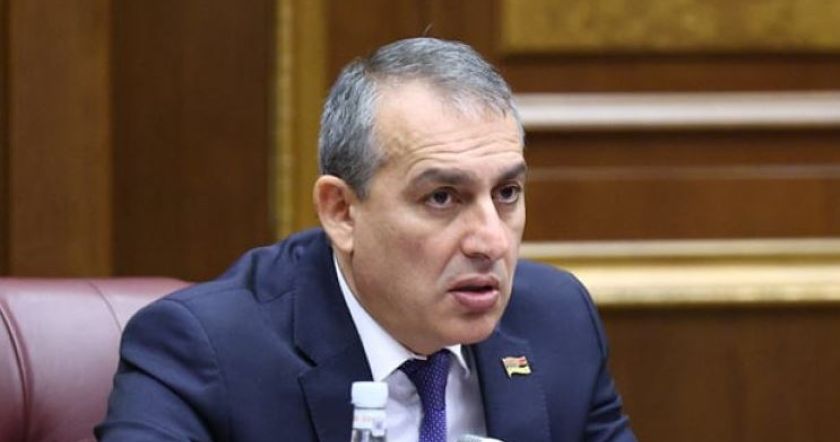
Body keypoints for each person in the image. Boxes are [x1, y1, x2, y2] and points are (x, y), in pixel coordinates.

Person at [97, 37, 636, 442]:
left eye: (507, 193)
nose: (490, 242)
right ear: (341, 211)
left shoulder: (557, 320)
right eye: (442, 197)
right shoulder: (206, 350)